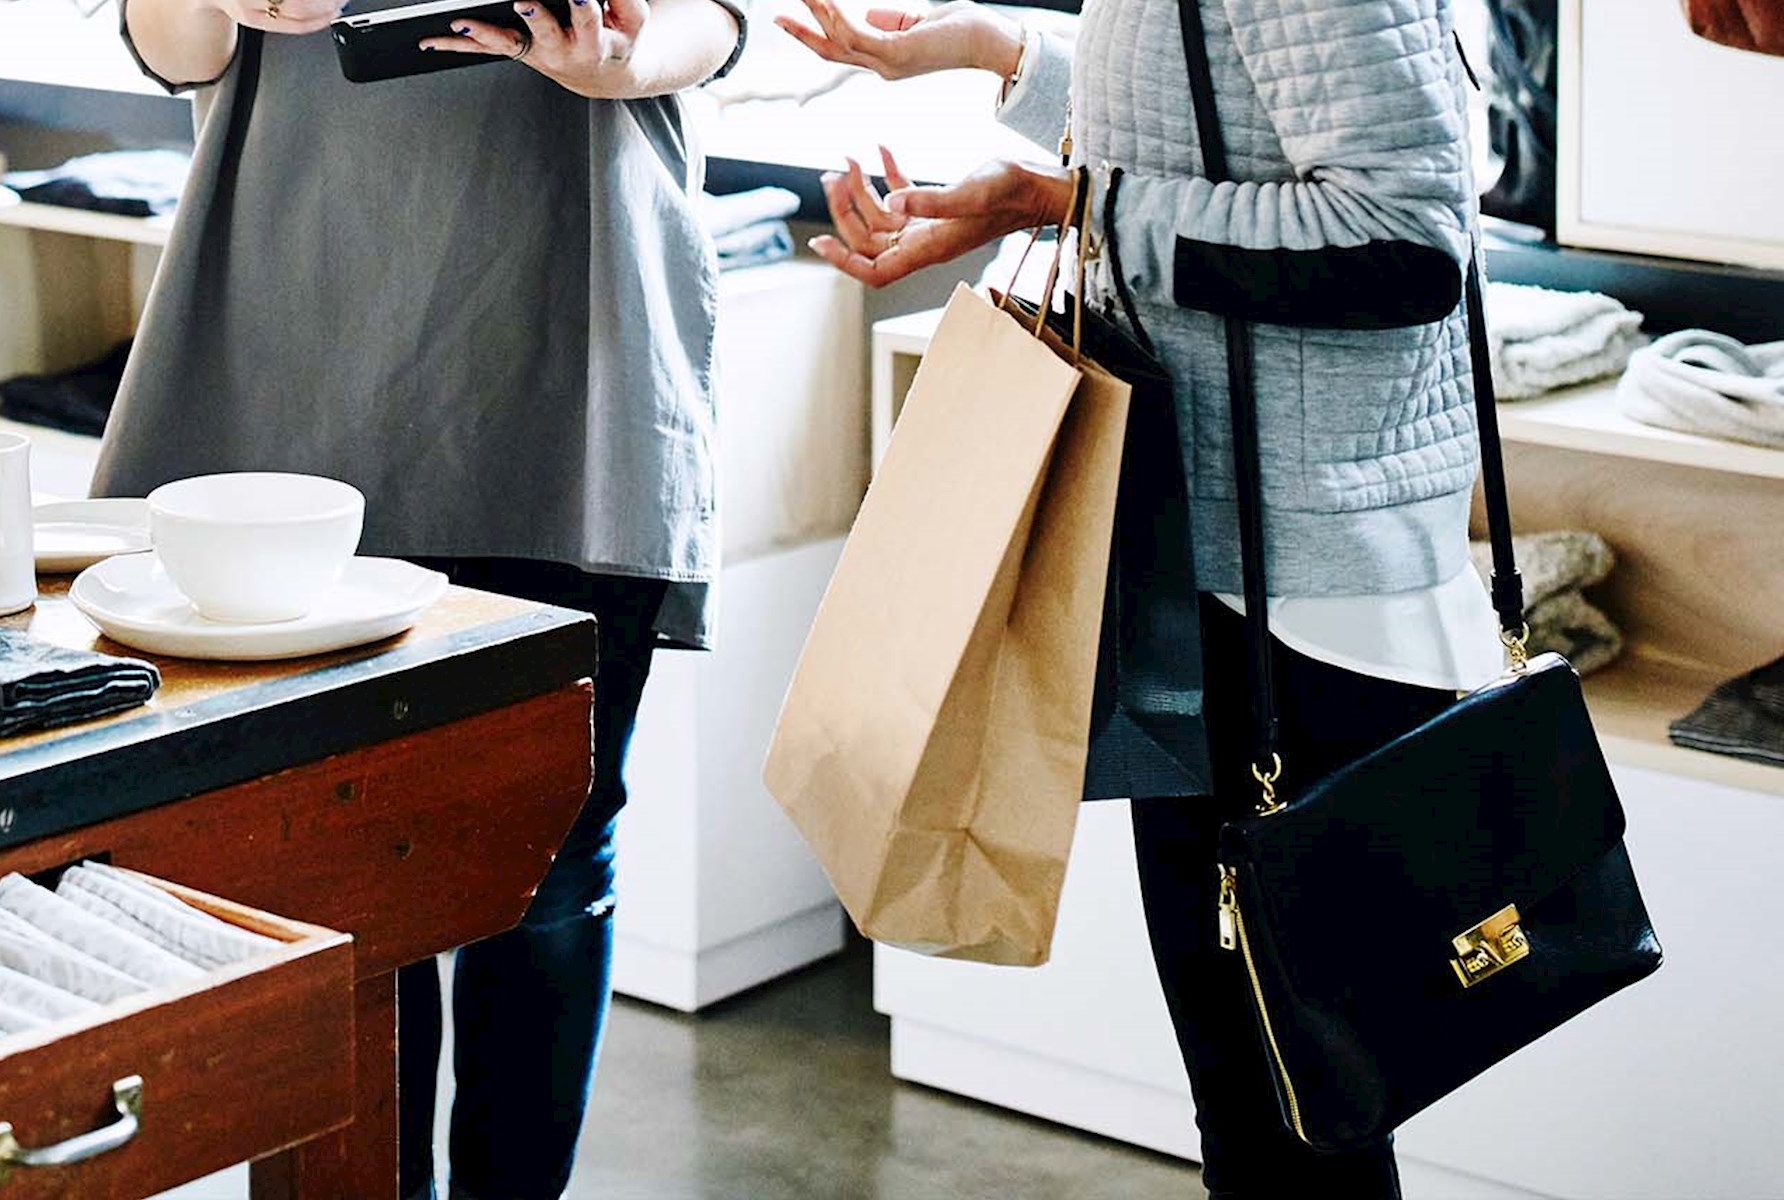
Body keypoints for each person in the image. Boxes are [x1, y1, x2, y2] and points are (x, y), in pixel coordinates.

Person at [778, 1, 1498, 1197]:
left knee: (1291, 1120)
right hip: (1231, 564)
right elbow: (1205, 126)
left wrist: (1063, 204)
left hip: (1299, 601)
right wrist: (989, 52)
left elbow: (1404, 237)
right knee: (1266, 1106)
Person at [107, 1, 746, 1196]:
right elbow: (164, 44)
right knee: (336, 854)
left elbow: (716, 19)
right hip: (299, 348)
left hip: (572, 358)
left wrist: (624, 58)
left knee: (550, 839)